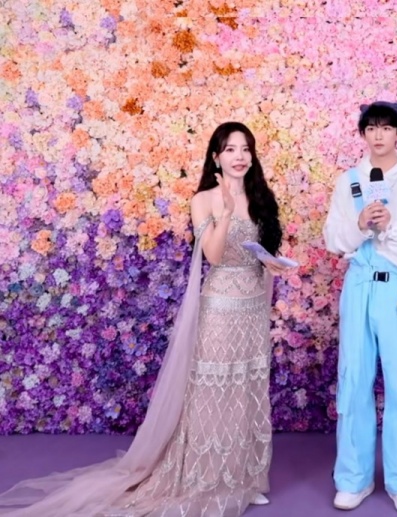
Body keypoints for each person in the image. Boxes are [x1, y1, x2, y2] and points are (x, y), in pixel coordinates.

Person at [0, 122, 287, 517]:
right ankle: (209, 478)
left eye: (245, 149)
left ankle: (242, 477)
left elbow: (256, 252)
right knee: (215, 391)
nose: (239, 156)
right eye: (230, 149)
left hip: (253, 308)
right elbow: (214, 256)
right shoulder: (203, 199)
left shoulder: (261, 198)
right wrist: (223, 213)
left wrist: (272, 263)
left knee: (247, 388)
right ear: (216, 157)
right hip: (221, 308)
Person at [323, 101, 397, 515]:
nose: (378, 135)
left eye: (387, 128)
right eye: (371, 128)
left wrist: (391, 226)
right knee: (353, 379)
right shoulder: (349, 181)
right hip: (359, 285)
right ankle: (353, 478)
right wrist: (359, 226)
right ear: (362, 133)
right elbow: (332, 238)